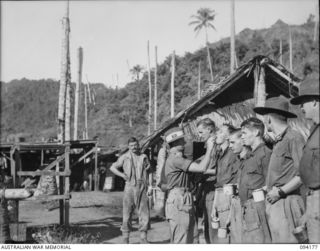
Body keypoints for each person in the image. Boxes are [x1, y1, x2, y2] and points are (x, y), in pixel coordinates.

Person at [254, 95, 306, 243]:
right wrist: (268, 187)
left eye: (265, 118)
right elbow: (285, 172)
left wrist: (281, 191)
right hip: (276, 202)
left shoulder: (293, 138)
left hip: (287, 202)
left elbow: (303, 175)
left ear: (268, 119)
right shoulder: (279, 141)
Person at [164, 127, 215, 244]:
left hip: (183, 197)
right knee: (182, 238)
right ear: (176, 143)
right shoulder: (176, 160)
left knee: (191, 237)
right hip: (179, 198)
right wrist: (210, 149)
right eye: (181, 140)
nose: (184, 142)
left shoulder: (177, 159)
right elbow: (201, 168)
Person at [290, 77, 320, 244]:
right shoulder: (314, 130)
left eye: (304, 102)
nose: (301, 107)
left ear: (315, 102)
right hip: (313, 199)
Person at [110, 137, 152, 244]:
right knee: (127, 213)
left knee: (144, 213)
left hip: (142, 186)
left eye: (135, 145)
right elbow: (112, 167)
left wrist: (150, 185)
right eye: (131, 145)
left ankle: (143, 237)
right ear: (128, 146)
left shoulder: (143, 156)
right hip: (129, 187)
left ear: (138, 145)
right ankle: (125, 238)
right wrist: (122, 175)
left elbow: (150, 171)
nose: (134, 147)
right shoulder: (124, 157)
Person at [238, 117, 272, 243]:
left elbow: (271, 184)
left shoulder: (265, 153)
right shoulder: (249, 155)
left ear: (257, 132)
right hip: (247, 208)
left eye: (244, 133)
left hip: (259, 208)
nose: (242, 137)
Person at [210, 123, 238, 243]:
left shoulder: (232, 154)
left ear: (228, 137)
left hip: (228, 196)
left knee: (229, 234)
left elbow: (235, 179)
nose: (217, 134)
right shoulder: (220, 154)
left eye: (221, 132)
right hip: (220, 195)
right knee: (222, 236)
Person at [196, 118, 217, 243]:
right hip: (207, 189)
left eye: (201, 132)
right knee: (207, 227)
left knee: (213, 228)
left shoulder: (217, 144)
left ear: (209, 130)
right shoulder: (208, 145)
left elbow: (222, 169)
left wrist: (201, 170)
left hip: (214, 189)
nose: (199, 135)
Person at [227, 128, 248, 244]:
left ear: (242, 141)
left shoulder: (250, 158)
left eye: (233, 142)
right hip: (235, 203)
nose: (230, 146)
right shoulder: (237, 160)